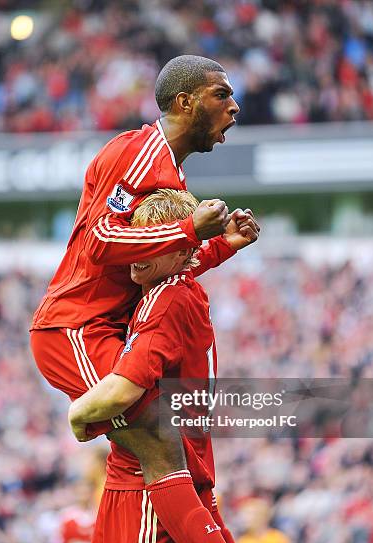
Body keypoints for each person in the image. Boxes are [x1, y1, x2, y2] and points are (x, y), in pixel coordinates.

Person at [68, 190, 320, 543]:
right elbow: (182, 258)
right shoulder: (174, 288)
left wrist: (79, 415)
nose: (139, 250)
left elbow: (125, 388)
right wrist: (222, 245)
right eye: (138, 238)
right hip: (133, 477)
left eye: (155, 238)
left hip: (153, 490)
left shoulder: (166, 301)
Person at [30, 55, 249, 418]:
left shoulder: (172, 176)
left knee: (157, 439)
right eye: (221, 94)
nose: (234, 106)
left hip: (112, 328)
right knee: (155, 429)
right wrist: (191, 228)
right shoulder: (136, 152)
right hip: (77, 326)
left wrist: (224, 244)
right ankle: (76, 420)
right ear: (185, 102)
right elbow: (100, 241)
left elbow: (159, 266)